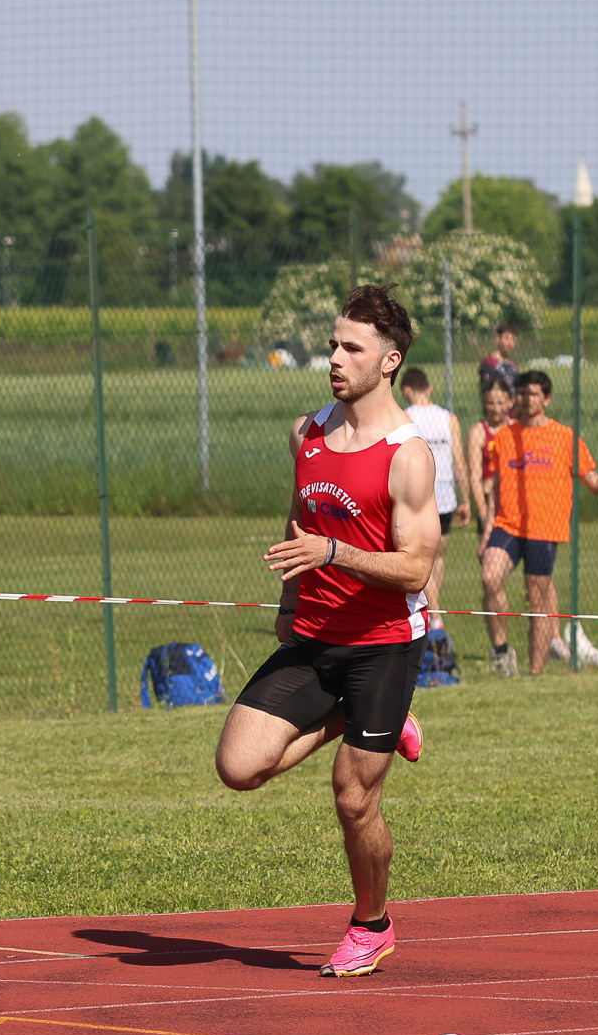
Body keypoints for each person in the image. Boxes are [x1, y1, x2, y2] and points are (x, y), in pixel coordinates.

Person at [215, 284, 442, 979]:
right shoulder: (306, 433)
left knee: (353, 796)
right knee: (238, 767)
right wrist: (290, 600)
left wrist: (336, 553)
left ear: (390, 360)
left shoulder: (407, 454)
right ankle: (373, 721)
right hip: (313, 638)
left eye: (352, 348)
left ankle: (372, 925)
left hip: (383, 646)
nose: (335, 359)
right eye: (333, 345)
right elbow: (297, 521)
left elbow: (416, 568)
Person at [478, 369, 598, 676]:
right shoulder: (506, 436)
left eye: (533, 394)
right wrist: (487, 528)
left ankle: (535, 675)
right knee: (489, 577)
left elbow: (596, 484)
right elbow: (497, 487)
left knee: (538, 603)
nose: (527, 399)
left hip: (544, 529)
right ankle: (501, 651)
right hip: (508, 526)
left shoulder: (565, 438)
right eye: (522, 393)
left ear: (546, 399)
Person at [396, 367, 475, 616]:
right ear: (429, 388)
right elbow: (460, 462)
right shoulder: (449, 418)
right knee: (438, 557)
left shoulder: (404, 417)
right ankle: (435, 613)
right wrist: (465, 500)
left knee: (418, 556)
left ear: (406, 390)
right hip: (446, 497)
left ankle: (434, 613)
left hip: (416, 498)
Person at [463, 375, 511, 587]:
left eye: (501, 402)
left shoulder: (515, 428)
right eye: (491, 403)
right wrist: (483, 513)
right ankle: (492, 602)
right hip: (488, 499)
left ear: (510, 402)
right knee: (489, 570)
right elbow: (474, 476)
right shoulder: (478, 432)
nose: (496, 408)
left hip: (511, 503)